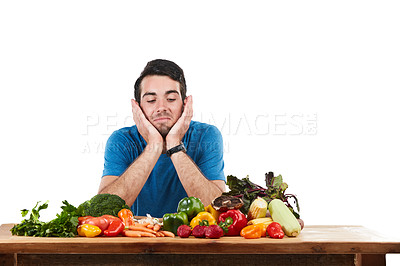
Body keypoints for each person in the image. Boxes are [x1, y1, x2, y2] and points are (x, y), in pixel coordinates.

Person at [98, 59, 226, 218]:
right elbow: (103, 212)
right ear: (138, 107)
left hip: (194, 239)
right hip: (139, 238)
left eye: (171, 99)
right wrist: (154, 146)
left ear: (185, 105)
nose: (161, 108)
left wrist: (174, 145)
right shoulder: (121, 140)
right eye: (151, 100)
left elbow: (219, 210)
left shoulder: (207, 136)